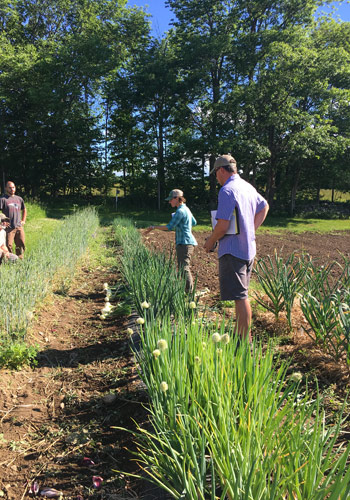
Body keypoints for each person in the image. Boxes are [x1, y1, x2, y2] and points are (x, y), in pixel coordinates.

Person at [204, 155, 269, 340]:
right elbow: (264, 206)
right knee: (241, 295)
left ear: (221, 170)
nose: (216, 178)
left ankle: (243, 341)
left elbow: (223, 226)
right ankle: (241, 335)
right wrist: (251, 229)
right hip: (248, 249)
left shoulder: (227, 190)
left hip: (233, 250)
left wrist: (210, 241)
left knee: (241, 297)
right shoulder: (247, 187)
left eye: (216, 173)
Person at [146, 189, 197, 292]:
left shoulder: (180, 211)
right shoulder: (186, 209)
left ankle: (189, 292)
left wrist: (154, 227)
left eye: (171, 200)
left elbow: (169, 227)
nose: (169, 202)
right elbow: (194, 222)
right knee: (183, 267)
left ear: (177, 199)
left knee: (184, 268)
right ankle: (188, 291)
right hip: (187, 242)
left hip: (184, 242)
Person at [0, 181, 27, 259]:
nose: (12, 189)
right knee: (8, 245)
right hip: (8, 227)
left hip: (19, 226)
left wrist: (23, 220)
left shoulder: (19, 199)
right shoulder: (3, 199)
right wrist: (2, 222)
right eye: (10, 188)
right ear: (6, 188)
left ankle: (20, 258)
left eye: (13, 187)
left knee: (21, 243)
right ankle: (9, 260)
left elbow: (24, 209)